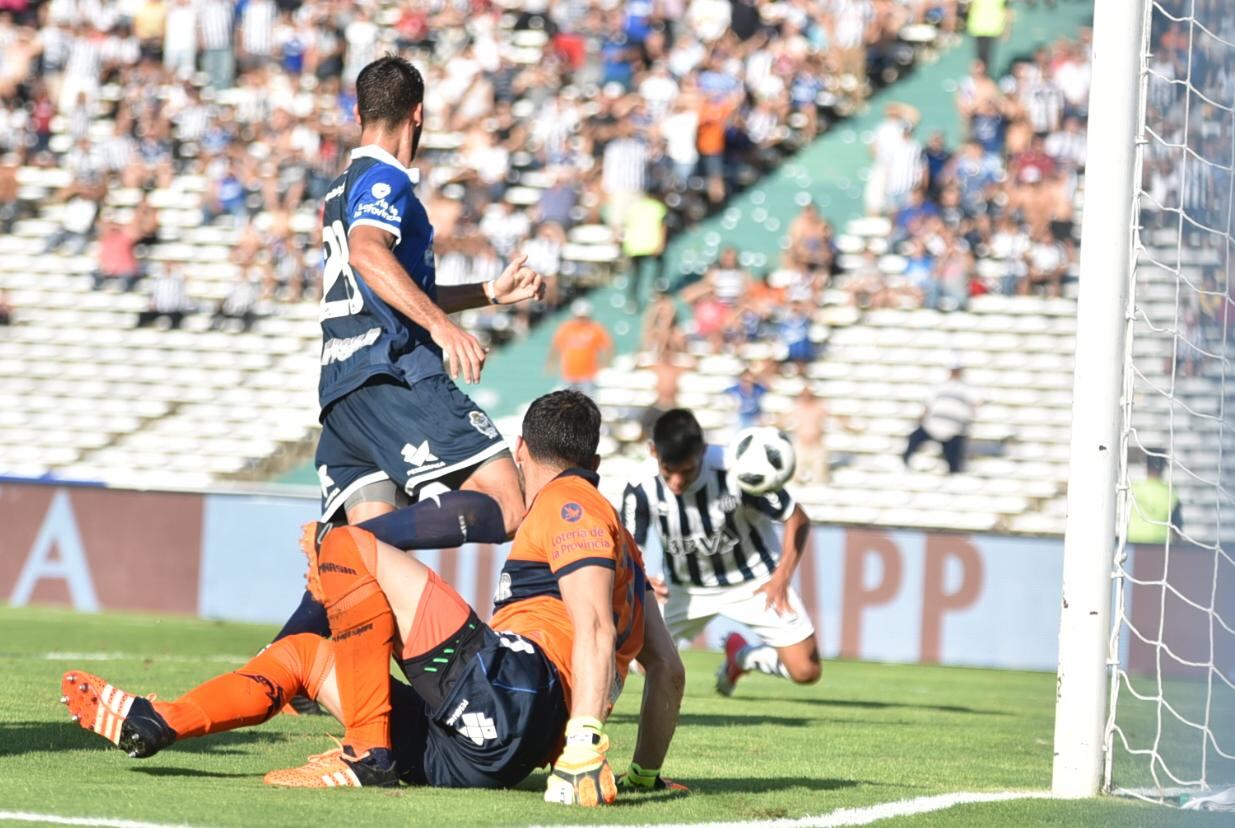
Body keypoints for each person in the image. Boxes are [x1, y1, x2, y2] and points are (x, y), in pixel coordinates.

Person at [58, 391, 687, 804]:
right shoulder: (623, 544)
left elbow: (594, 633)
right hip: (485, 750)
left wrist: (583, 744)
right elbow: (669, 673)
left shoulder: (567, 503)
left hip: (514, 690)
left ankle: (366, 754)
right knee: (303, 653)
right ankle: (160, 720)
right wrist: (645, 775)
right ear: (594, 455)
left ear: (521, 450)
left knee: (345, 546)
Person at [274, 55, 544, 648]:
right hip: (395, 376)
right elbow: (371, 254)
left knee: (370, 585)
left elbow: (389, 282)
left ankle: (282, 664)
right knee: (508, 500)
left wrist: (489, 292)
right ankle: (337, 543)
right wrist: (443, 328)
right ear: (418, 115)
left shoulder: (339, 189)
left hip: (343, 392)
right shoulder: (386, 178)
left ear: (358, 111)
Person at [623, 409, 821, 697]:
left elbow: (797, 517)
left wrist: (782, 577)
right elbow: (629, 547)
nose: (677, 482)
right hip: (683, 590)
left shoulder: (737, 469)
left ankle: (742, 657)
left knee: (806, 671)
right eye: (669, 472)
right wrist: (640, 576)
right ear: (654, 452)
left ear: (703, 451)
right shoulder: (641, 486)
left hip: (754, 582)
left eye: (687, 471)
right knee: (647, 664)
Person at [902, 365, 978, 474]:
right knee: (913, 439)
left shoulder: (968, 389)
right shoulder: (940, 386)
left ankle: (955, 474)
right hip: (933, 425)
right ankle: (905, 463)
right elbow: (927, 406)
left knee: (954, 461)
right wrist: (921, 420)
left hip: (954, 429)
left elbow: (975, 406)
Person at [545, 299, 613, 395]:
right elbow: (556, 346)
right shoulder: (566, 328)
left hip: (588, 375)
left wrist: (606, 363)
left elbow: (607, 347)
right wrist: (551, 363)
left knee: (587, 402)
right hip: (569, 374)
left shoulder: (595, 329)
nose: (580, 320)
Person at [1127, 452, 1184, 544]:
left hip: (1134, 544)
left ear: (1146, 467)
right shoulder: (1171, 493)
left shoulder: (1133, 488)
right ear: (1163, 468)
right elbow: (1177, 527)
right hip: (1159, 547)